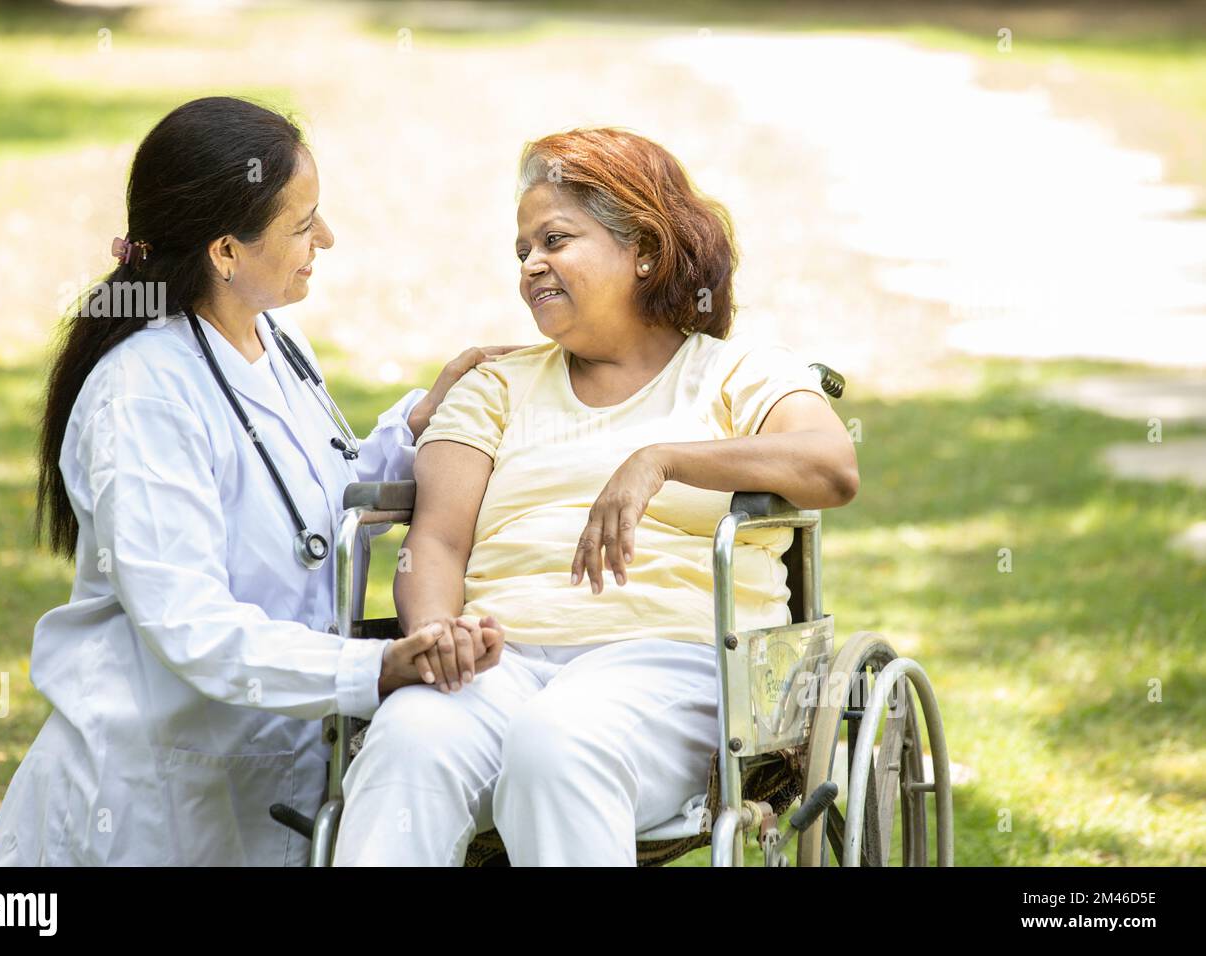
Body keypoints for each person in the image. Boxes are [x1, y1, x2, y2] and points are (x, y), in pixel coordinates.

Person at [0, 96, 509, 866]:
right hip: (148, 800)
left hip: (262, 776)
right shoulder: (144, 396)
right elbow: (189, 623)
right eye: (304, 224)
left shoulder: (275, 341)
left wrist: (418, 426)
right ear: (226, 251)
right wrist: (373, 668)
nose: (327, 239)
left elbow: (305, 510)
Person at [333, 127, 861, 866]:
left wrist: (663, 461)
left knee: (559, 742)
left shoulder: (738, 372)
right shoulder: (495, 386)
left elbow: (832, 466)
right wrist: (437, 633)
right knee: (408, 741)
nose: (531, 265)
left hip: (672, 665)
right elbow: (437, 542)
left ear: (642, 249)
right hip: (499, 662)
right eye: (522, 251)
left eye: (555, 240)